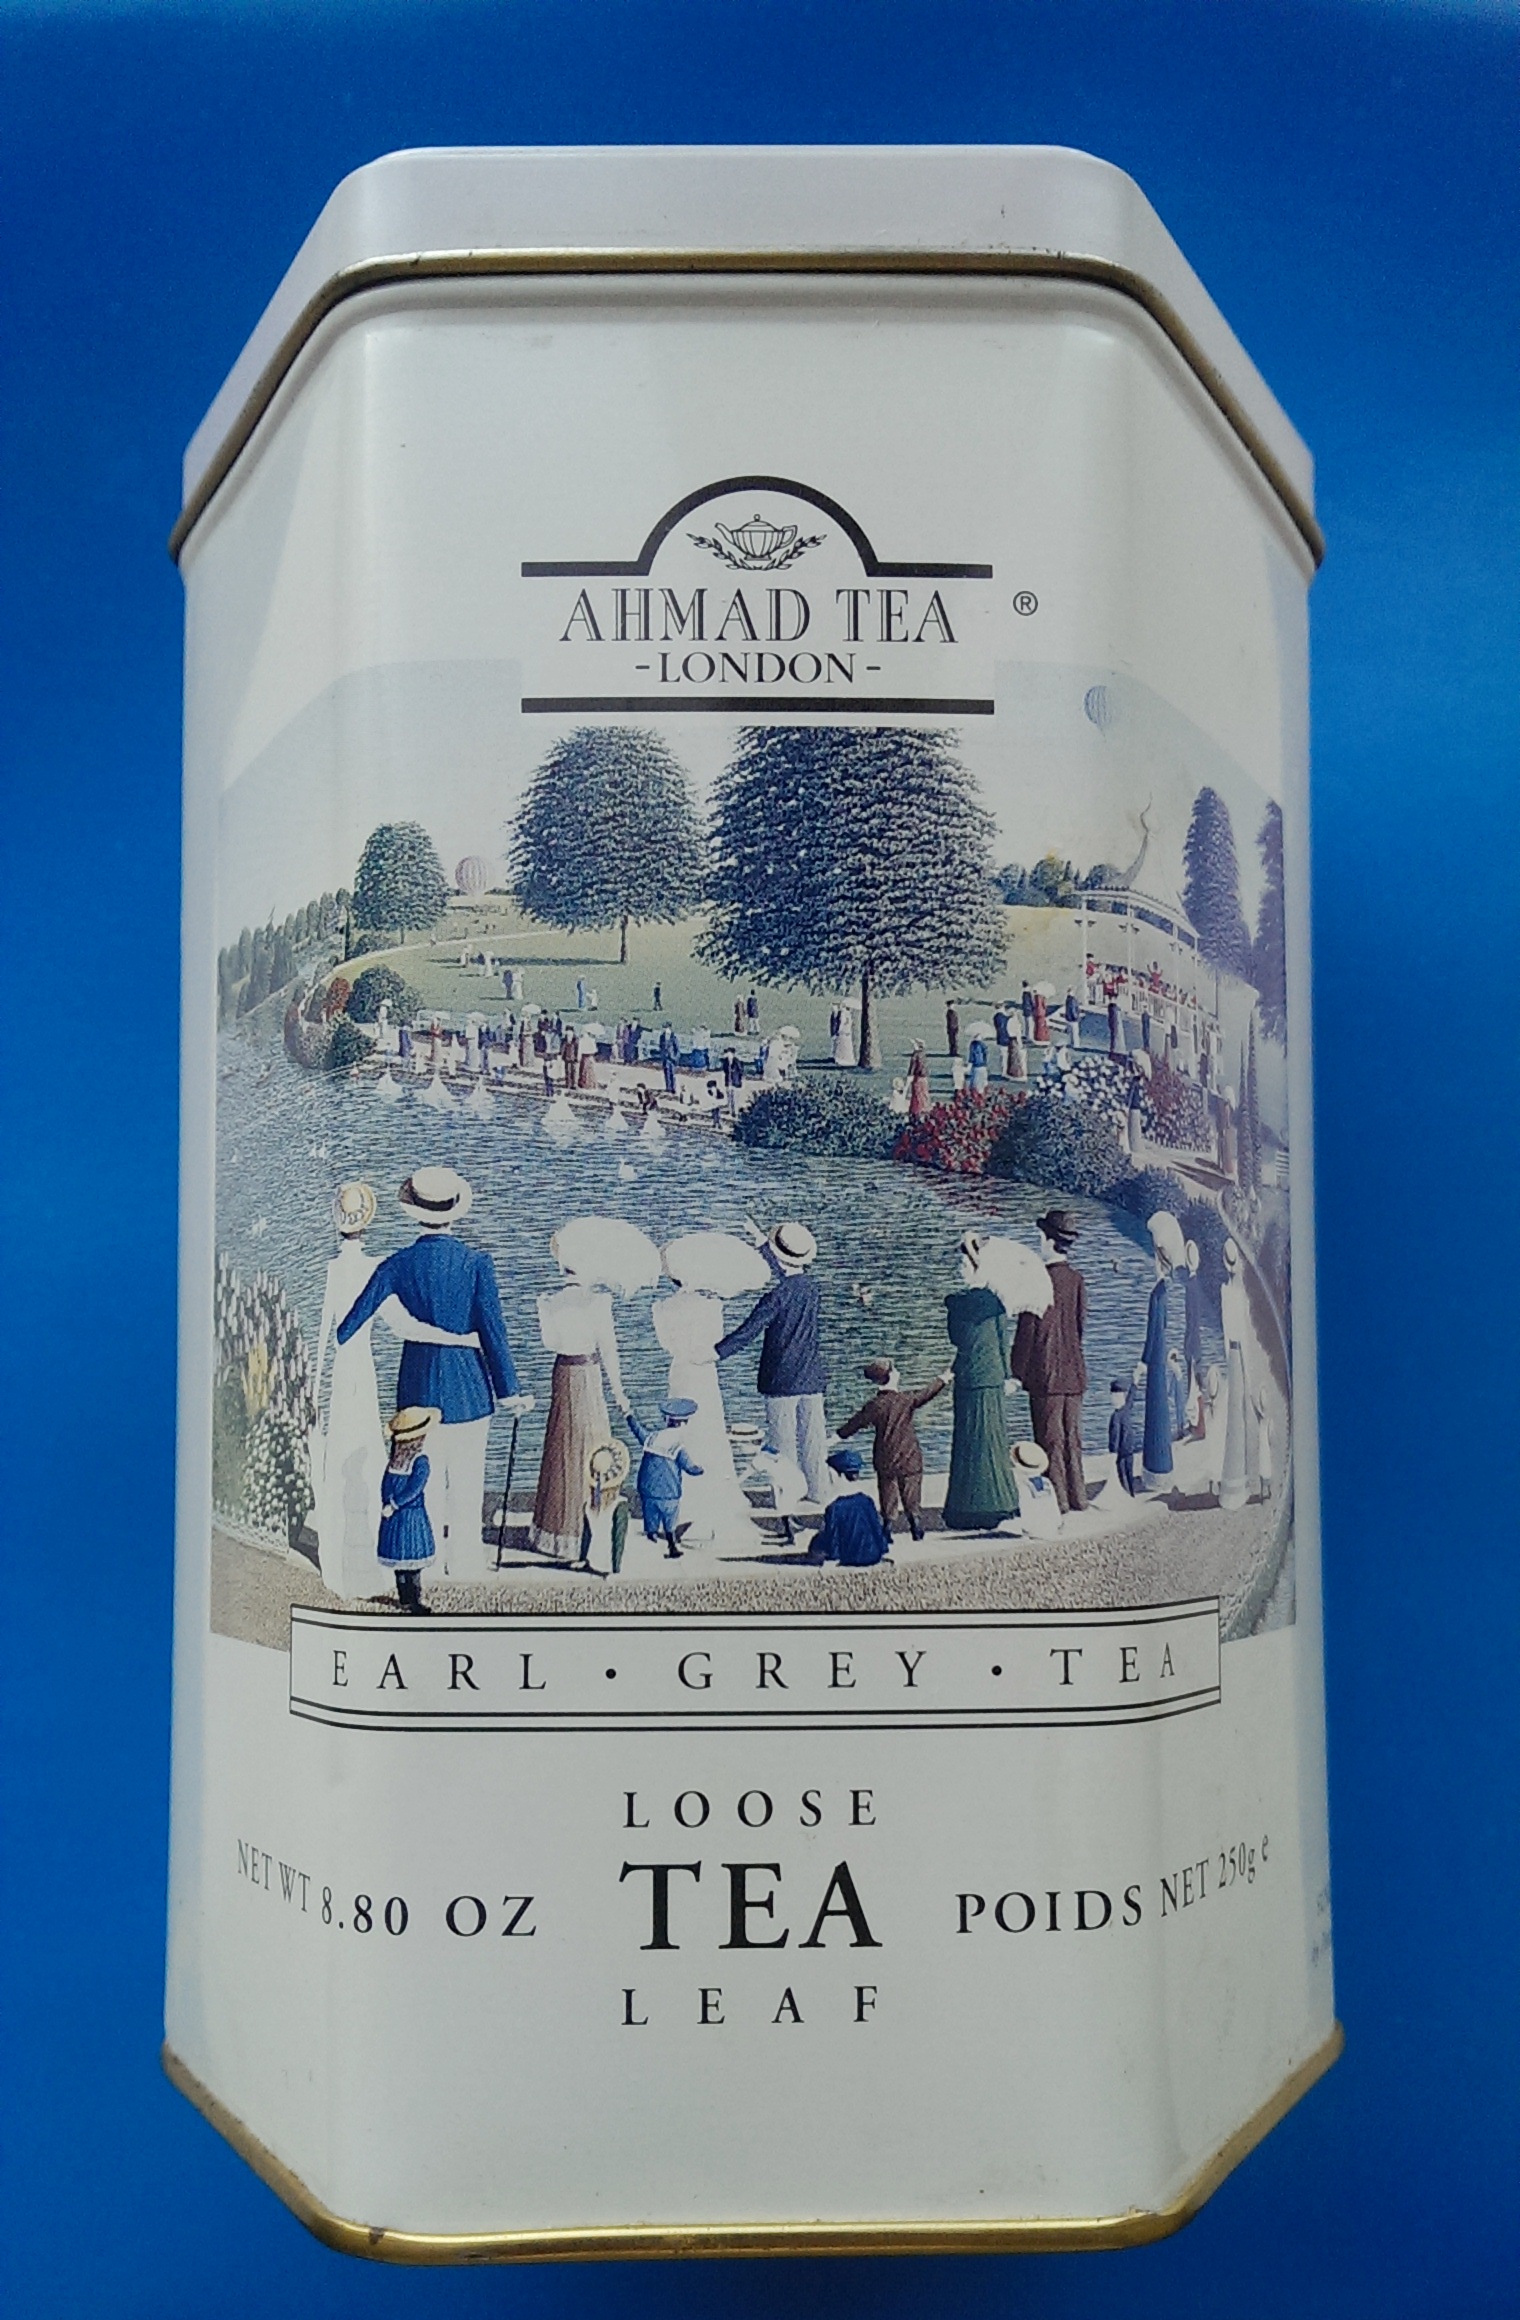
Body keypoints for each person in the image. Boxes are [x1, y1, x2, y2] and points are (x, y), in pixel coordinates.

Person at [337, 1169, 529, 1584]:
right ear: (454, 1212)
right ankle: (465, 1565)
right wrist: (510, 1392)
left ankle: (429, 1564)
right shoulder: (477, 1264)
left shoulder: (396, 1265)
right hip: (469, 1392)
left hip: (417, 1393)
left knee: (423, 1484)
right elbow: (493, 1332)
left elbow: (348, 1326)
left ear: (414, 1212)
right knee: (467, 1485)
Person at [529, 1228, 634, 1559]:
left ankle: (555, 1531)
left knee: (561, 1446)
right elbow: (609, 1351)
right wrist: (620, 1393)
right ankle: (592, 1532)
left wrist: (547, 1313)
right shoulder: (599, 1302)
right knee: (594, 1448)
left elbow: (550, 1343)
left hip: (562, 1373)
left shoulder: (549, 1302)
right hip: (589, 1376)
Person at [652, 1243, 765, 1545]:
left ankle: (683, 1498)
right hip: (703, 1371)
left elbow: (666, 1344)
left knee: (682, 1433)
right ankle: (713, 1496)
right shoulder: (711, 1305)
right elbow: (715, 1342)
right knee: (709, 1432)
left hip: (680, 1371)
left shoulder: (662, 1307)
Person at [943, 1233, 1052, 1530]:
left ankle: (966, 1508)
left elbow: (956, 1340)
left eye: (963, 1263)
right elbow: (1004, 1345)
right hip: (992, 1378)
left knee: (967, 1442)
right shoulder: (998, 1303)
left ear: (974, 1267)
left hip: (968, 1378)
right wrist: (1007, 1376)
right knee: (993, 1439)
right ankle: (1000, 1501)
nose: (960, 1268)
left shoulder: (958, 1305)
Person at [715, 1222, 829, 1505]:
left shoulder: (776, 1297)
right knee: (814, 1441)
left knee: (783, 1445)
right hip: (811, 1377)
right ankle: (818, 1492)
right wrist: (761, 1241)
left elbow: (748, 1331)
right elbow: (784, 1267)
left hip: (781, 1380)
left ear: (777, 1259)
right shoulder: (812, 1289)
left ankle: (786, 1497)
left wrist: (716, 1353)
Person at [310, 1182, 388, 1598]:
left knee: (341, 1447)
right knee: (368, 1450)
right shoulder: (376, 1266)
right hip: (364, 1365)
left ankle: (339, 1559)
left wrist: (313, 1387)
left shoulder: (332, 1269)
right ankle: (372, 1555)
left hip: (341, 1370)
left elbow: (325, 1333)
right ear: (366, 1224)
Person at [1010, 1208, 1089, 1514]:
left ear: (1048, 1240)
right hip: (1074, 1371)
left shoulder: (1035, 1280)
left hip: (1045, 1375)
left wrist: (1017, 1373)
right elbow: (1080, 1325)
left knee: (1050, 1441)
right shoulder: (1077, 1279)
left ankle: (1059, 1501)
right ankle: (1079, 1497)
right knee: (1073, 1438)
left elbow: (1026, 1332)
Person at [837, 1359, 949, 1540]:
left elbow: (855, 1423)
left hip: (885, 1456)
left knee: (887, 1491)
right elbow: (926, 1394)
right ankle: (915, 1524)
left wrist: (837, 1436)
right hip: (908, 1454)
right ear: (890, 1376)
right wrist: (943, 1379)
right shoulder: (905, 1400)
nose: (897, 1372)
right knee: (911, 1489)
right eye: (894, 1369)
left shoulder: (875, 1405)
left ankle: (887, 1527)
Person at [1140, 1210, 1186, 1490]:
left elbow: (1155, 1330)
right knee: (1158, 1414)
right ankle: (1160, 1468)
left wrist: (1144, 1360)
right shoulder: (1164, 1291)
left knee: (1155, 1413)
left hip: (1155, 1360)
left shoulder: (1157, 1293)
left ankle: (1155, 1471)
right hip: (1160, 1355)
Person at [378, 1407, 439, 1614]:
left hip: (411, 1516)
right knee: (399, 1562)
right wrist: (387, 1503)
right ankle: (405, 1599)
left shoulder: (420, 1461)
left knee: (412, 1564)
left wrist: (394, 1504)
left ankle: (414, 1601)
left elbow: (415, 1488)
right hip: (395, 1517)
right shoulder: (395, 1460)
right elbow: (386, 1484)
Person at [626, 1398, 704, 1557]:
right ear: (683, 1423)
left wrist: (629, 1417)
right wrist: (701, 1469)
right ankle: (671, 1545)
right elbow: (689, 1467)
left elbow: (638, 1430)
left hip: (647, 1488)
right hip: (668, 1491)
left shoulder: (652, 1438)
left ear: (666, 1420)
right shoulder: (677, 1446)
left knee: (650, 1517)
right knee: (670, 1518)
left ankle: (651, 1539)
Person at [804, 1448, 892, 1567]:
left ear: (838, 1475)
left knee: (817, 1540)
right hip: (873, 1555)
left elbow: (833, 1538)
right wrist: (882, 1549)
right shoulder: (867, 1501)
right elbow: (877, 1530)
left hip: (850, 1557)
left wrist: (833, 1556)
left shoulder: (834, 1507)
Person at [1218, 1236, 1252, 1511]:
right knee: (1238, 1416)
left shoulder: (1228, 1292)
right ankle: (1237, 1482)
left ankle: (1236, 1481)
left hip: (1233, 1355)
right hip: (1238, 1356)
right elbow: (1241, 1332)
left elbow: (1228, 1332)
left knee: (1236, 1416)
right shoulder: (1237, 1293)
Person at [579, 1439, 632, 1576]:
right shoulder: (620, 1505)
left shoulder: (589, 1504)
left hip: (592, 1559)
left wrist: (582, 1558)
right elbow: (618, 1541)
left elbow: (586, 1536)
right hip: (608, 1564)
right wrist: (616, 1569)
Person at [1010, 1440, 1063, 1538]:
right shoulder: (1047, 1482)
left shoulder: (1022, 1484)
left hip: (1033, 1530)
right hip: (1052, 1528)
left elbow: (1025, 1508)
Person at [1108, 1376, 1141, 1495]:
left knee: (1123, 1475)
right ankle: (1131, 1493)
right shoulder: (1126, 1409)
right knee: (1129, 1473)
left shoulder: (1115, 1416)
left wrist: (1113, 1451)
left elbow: (1115, 1436)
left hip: (1121, 1452)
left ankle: (1127, 1494)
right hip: (1129, 1449)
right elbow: (1131, 1398)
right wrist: (1135, 1383)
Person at [907, 1043, 932, 1118]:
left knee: (917, 1094)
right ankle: (925, 1107)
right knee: (924, 1093)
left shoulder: (916, 1055)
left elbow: (913, 1066)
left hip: (917, 1077)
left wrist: (910, 1074)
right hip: (924, 1078)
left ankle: (917, 1109)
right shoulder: (923, 1055)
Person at [832, 1001, 856, 1068]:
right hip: (847, 1032)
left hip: (843, 1032)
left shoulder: (843, 1013)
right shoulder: (849, 1015)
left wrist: (838, 1030)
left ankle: (841, 1059)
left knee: (842, 1046)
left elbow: (841, 1023)